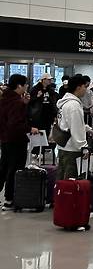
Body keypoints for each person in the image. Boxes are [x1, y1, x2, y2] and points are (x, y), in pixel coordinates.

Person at [0, 74, 38, 209]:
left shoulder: (4, 98)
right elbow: (15, 124)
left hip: (5, 139)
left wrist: (24, 103)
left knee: (3, 168)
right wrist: (30, 128)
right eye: (26, 84)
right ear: (19, 86)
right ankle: (9, 199)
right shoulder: (16, 102)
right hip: (16, 140)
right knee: (14, 169)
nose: (27, 87)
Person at [56, 75, 90, 180]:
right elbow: (76, 129)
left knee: (62, 180)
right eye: (85, 86)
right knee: (70, 183)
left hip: (63, 146)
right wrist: (84, 148)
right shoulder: (74, 106)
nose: (86, 89)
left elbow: (67, 124)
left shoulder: (64, 103)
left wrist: (85, 128)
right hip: (72, 149)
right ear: (78, 87)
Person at [28, 72, 58, 141]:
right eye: (48, 79)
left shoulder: (50, 90)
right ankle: (36, 150)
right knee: (37, 135)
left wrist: (54, 114)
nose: (50, 81)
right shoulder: (35, 89)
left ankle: (44, 150)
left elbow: (53, 103)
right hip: (37, 116)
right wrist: (37, 97)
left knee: (46, 134)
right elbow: (30, 102)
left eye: (50, 80)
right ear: (43, 80)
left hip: (48, 116)